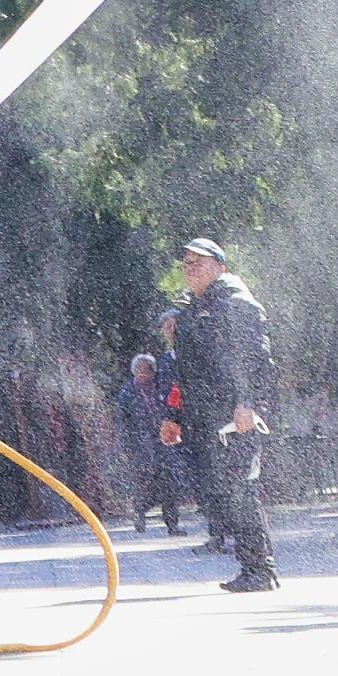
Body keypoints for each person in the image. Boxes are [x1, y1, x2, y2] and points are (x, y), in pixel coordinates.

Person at [168, 240, 279, 589]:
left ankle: (260, 570)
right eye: (186, 263)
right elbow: (184, 372)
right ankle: (253, 567)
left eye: (199, 262)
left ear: (220, 266)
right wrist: (174, 416)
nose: (191, 268)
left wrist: (248, 403)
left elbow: (257, 360)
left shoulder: (236, 303)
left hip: (236, 415)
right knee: (224, 491)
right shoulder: (190, 312)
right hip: (207, 418)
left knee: (240, 489)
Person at [121, 347, 186, 532]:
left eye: (146, 369)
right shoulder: (127, 393)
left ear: (153, 371)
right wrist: (126, 447)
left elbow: (173, 410)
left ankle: (173, 525)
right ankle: (139, 515)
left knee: (169, 484)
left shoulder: (163, 388)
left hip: (163, 443)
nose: (142, 373)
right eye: (138, 369)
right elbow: (123, 422)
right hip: (140, 445)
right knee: (144, 485)